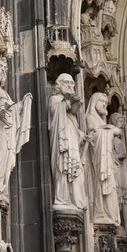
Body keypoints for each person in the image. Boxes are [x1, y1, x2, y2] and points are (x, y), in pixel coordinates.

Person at [49, 73, 91, 210]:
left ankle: (75, 199)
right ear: (59, 84)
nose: (70, 85)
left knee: (74, 168)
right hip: (61, 143)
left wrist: (81, 136)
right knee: (63, 166)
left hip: (71, 143)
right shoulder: (55, 99)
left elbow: (73, 125)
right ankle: (62, 198)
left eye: (72, 83)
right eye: (66, 82)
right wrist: (68, 101)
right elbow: (56, 113)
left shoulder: (71, 115)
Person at [0, 58, 32, 208]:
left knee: (8, 158)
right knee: (1, 154)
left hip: (8, 132)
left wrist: (22, 105)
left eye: (5, 69)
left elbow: (11, 111)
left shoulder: (4, 92)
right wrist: (1, 110)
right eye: (1, 67)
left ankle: (2, 188)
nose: (4, 71)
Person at [86, 93, 122, 225]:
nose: (104, 104)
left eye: (106, 102)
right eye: (101, 101)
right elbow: (94, 136)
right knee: (101, 184)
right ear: (94, 102)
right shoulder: (90, 117)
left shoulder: (102, 122)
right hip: (99, 160)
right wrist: (111, 131)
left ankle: (109, 214)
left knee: (110, 187)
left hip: (107, 161)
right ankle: (100, 213)